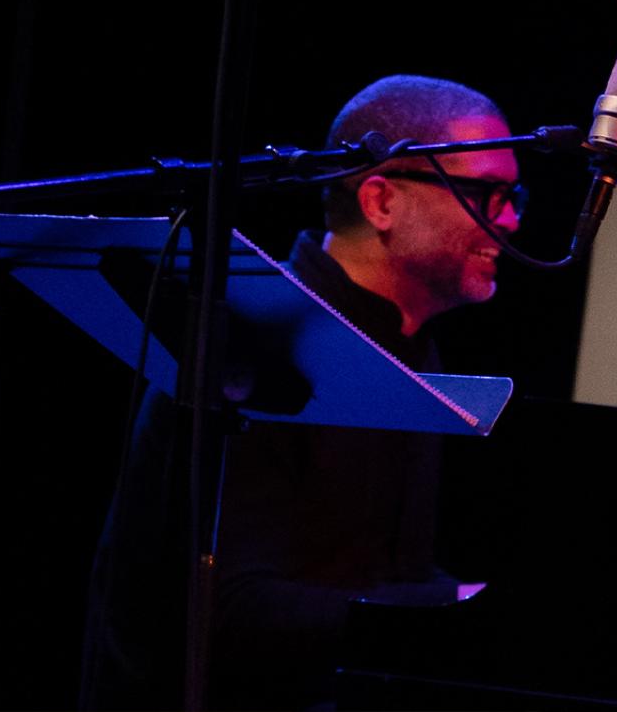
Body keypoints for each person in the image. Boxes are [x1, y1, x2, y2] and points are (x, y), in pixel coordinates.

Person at [81, 75, 523, 710]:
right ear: (381, 202)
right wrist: (447, 606)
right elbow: (226, 609)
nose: (509, 220)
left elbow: (381, 575)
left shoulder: (411, 345)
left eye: (513, 196)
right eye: (486, 194)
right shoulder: (251, 343)